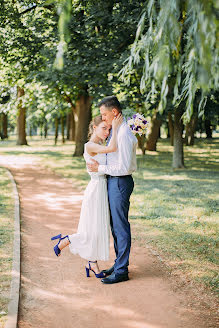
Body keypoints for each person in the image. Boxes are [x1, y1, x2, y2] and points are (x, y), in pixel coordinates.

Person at [51, 114, 123, 278]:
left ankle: (92, 263)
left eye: (109, 129)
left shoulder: (99, 144)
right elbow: (112, 149)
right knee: (91, 229)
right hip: (95, 189)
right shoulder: (90, 145)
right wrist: (118, 128)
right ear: (94, 128)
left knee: (97, 229)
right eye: (104, 128)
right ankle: (65, 240)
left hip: (102, 188)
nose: (107, 132)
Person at [87, 95, 137, 284]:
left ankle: (122, 270)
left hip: (119, 181)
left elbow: (123, 167)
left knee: (120, 227)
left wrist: (99, 168)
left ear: (114, 112)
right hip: (113, 181)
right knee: (115, 227)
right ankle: (118, 265)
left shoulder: (123, 133)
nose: (103, 118)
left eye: (104, 114)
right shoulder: (120, 130)